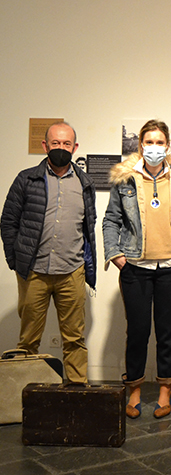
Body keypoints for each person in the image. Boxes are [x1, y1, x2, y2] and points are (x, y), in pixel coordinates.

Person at [103, 120, 171, 419]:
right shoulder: (125, 179)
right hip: (135, 267)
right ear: (140, 145)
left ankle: (165, 390)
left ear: (167, 145)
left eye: (159, 142)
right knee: (138, 331)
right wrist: (116, 254)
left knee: (167, 332)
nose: (154, 147)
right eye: (149, 142)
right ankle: (135, 390)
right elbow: (111, 220)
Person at [1, 121, 96, 383]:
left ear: (75, 147)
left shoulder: (85, 183)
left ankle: (77, 390)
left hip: (71, 271)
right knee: (28, 340)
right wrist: (15, 260)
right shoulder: (26, 179)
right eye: (55, 143)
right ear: (45, 145)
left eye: (66, 143)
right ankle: (23, 393)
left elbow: (88, 227)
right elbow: (8, 222)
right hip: (34, 272)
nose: (61, 148)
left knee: (75, 339)